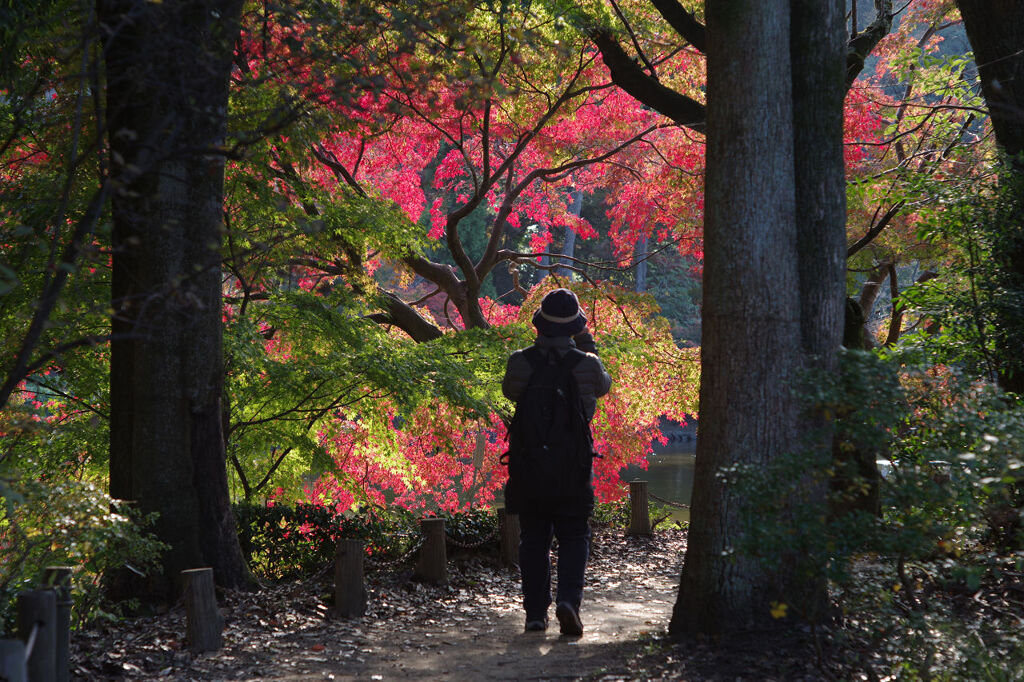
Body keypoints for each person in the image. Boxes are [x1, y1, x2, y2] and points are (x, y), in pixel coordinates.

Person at [501, 288, 612, 635]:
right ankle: (568, 601)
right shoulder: (587, 364)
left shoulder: (520, 361)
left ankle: (535, 614)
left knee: (533, 537)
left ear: (539, 325)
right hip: (573, 467)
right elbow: (604, 386)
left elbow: (509, 392)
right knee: (575, 534)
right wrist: (585, 343)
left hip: (530, 464)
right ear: (575, 327)